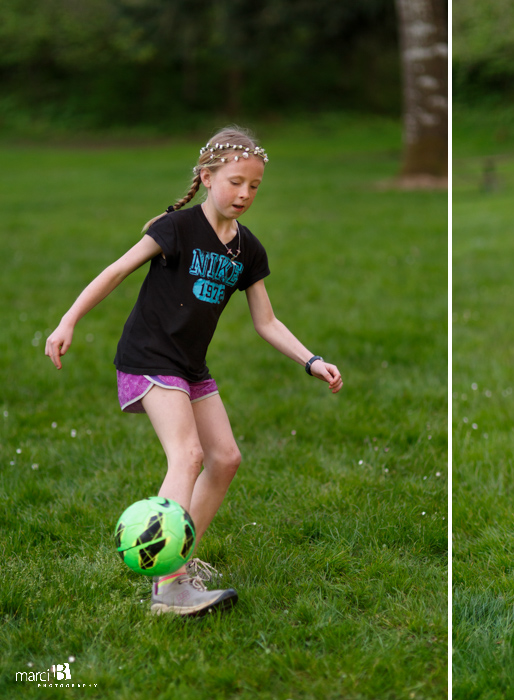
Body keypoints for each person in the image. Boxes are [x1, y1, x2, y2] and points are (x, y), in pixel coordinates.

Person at [45, 126, 343, 616]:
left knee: (224, 459)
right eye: (235, 181)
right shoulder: (176, 228)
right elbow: (117, 270)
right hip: (148, 357)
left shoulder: (248, 249)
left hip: (190, 366)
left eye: (254, 186)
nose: (244, 193)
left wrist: (310, 360)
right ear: (207, 177)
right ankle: (168, 585)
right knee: (187, 455)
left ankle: (179, 555)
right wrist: (68, 319)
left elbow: (266, 321)